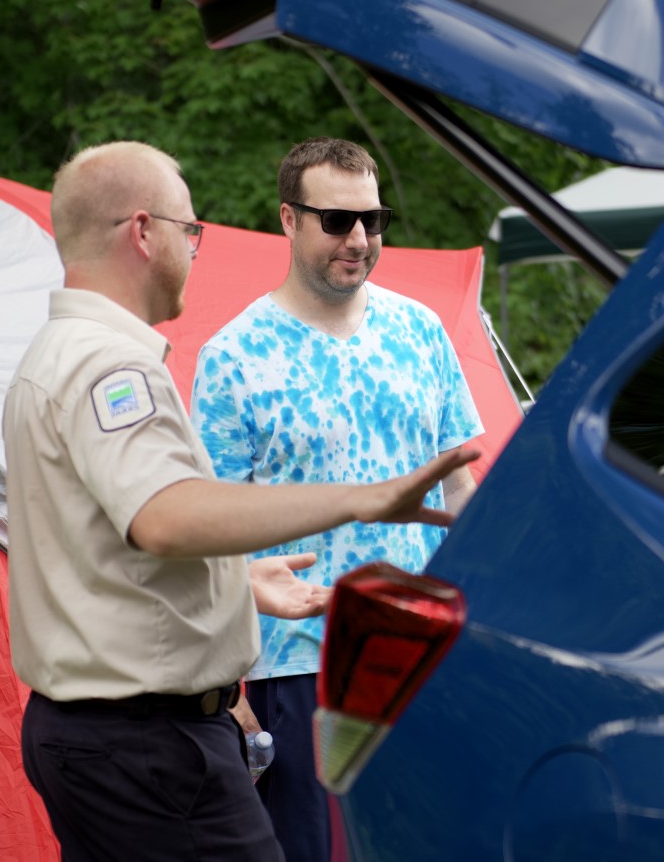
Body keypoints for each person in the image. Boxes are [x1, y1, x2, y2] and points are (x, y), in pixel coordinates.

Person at [4, 140, 477, 862]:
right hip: (241, 696)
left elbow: (131, 539)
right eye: (189, 230)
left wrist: (240, 583)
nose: (359, 239)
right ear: (142, 232)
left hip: (409, 654)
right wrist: (361, 500)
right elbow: (175, 518)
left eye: (374, 221)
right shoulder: (140, 364)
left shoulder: (66, 354)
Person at [192, 138, 484, 862]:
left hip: (425, 650)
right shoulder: (233, 357)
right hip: (300, 667)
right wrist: (232, 690)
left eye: (374, 221)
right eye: (336, 221)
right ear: (288, 220)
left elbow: (461, 485)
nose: (359, 239)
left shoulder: (420, 330)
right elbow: (210, 534)